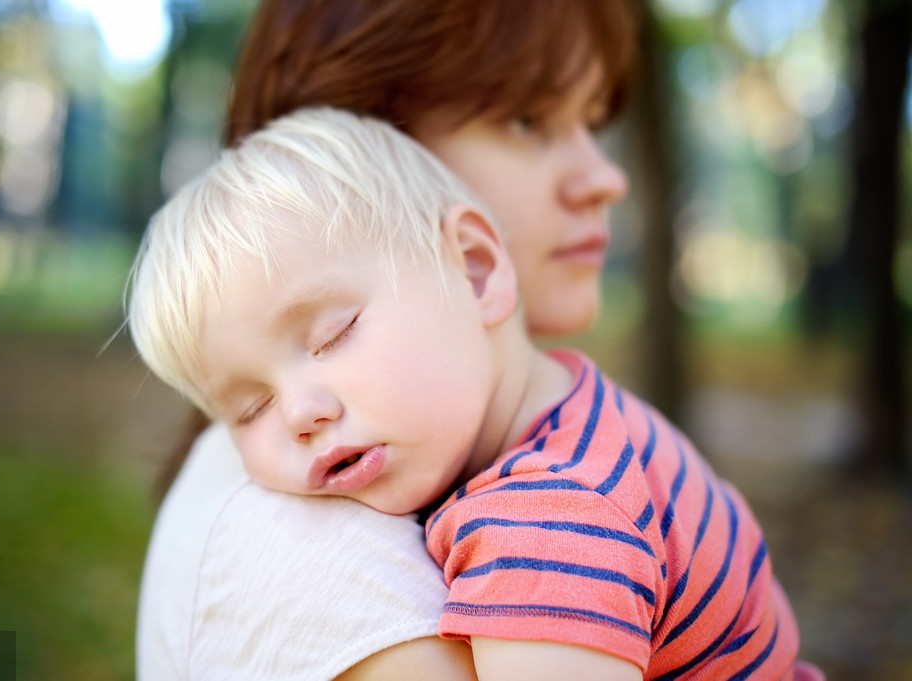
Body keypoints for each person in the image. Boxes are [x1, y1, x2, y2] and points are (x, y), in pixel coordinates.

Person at [127, 107, 811, 680]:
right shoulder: (584, 408)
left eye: (333, 334)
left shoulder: (549, 520)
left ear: (476, 269)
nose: (301, 412)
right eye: (249, 408)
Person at [135, 2, 644, 679]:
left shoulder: (558, 460)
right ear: (368, 135)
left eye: (590, 121)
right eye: (527, 119)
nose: (606, 178)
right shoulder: (310, 552)